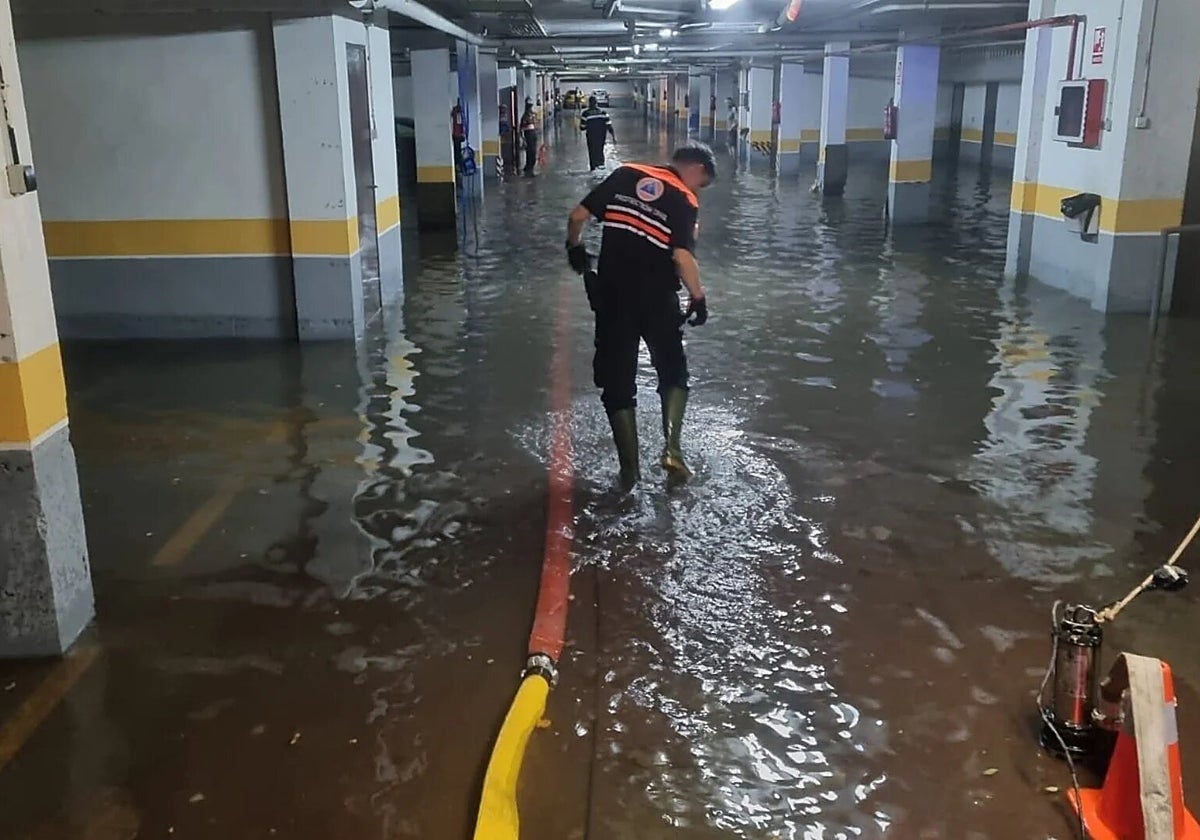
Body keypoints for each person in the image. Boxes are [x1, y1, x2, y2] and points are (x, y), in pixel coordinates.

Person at [564, 144, 717, 489]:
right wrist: (698, 297)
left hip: (612, 298)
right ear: (695, 169)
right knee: (673, 371)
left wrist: (574, 248)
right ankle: (672, 450)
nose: (697, 192)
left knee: (617, 385)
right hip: (657, 300)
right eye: (701, 183)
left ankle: (629, 474)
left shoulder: (625, 174)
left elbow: (577, 217)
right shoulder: (683, 199)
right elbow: (681, 256)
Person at [579, 95, 615, 171]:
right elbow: (609, 126)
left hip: (591, 138)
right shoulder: (603, 113)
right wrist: (614, 137)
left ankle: (593, 169)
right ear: (596, 103)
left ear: (589, 103)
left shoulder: (585, 114)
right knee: (600, 151)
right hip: (601, 137)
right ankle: (601, 167)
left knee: (592, 153)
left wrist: (588, 125)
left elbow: (582, 127)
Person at [519, 101, 539, 175]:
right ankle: (528, 167)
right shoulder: (525, 117)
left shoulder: (531, 116)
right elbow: (522, 128)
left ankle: (531, 166)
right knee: (530, 151)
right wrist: (523, 138)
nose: (531, 109)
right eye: (530, 108)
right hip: (528, 135)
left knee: (533, 151)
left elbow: (535, 124)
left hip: (533, 134)